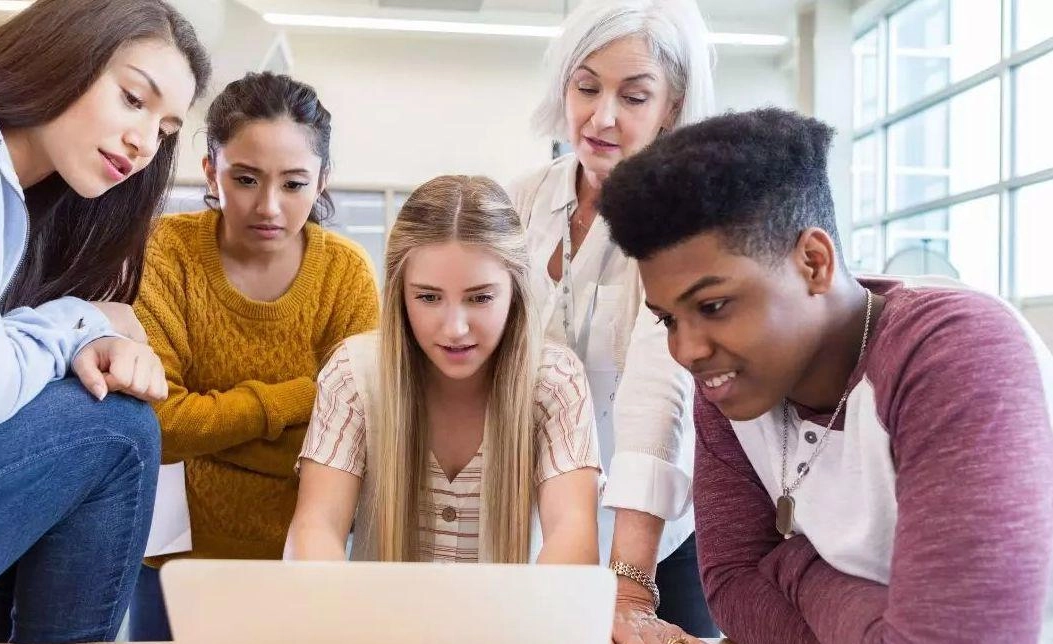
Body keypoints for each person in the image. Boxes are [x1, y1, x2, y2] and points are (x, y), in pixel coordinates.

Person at [599, 107, 1053, 644]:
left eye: (715, 305)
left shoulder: (955, 352)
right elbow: (732, 588)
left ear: (813, 262)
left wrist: (794, 567)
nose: (687, 350)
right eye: (668, 319)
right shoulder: (728, 382)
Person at [0, 0, 211, 641]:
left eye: (165, 130)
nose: (143, 141)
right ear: (66, 49)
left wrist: (80, 334)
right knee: (118, 431)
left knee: (93, 414)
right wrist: (77, 323)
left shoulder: (19, 214)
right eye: (133, 97)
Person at [128, 72, 380, 640]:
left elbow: (354, 436)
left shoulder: (345, 273)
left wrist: (213, 440)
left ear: (322, 183)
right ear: (211, 169)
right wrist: (302, 398)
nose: (268, 206)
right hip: (173, 564)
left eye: (293, 184)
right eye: (245, 179)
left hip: (304, 558)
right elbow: (159, 428)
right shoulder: (164, 254)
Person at [507, 0, 717, 638]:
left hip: (655, 537)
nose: (602, 116)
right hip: (542, 517)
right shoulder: (522, 200)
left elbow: (658, 397)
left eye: (634, 96)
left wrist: (629, 586)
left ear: (671, 107)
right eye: (587, 87)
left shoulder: (685, 220)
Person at [285, 175, 600, 565]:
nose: (455, 329)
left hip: (514, 624)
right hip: (377, 624)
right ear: (400, 292)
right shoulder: (352, 375)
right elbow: (316, 526)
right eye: (429, 297)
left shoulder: (556, 381)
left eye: (480, 297)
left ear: (515, 290)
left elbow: (573, 531)